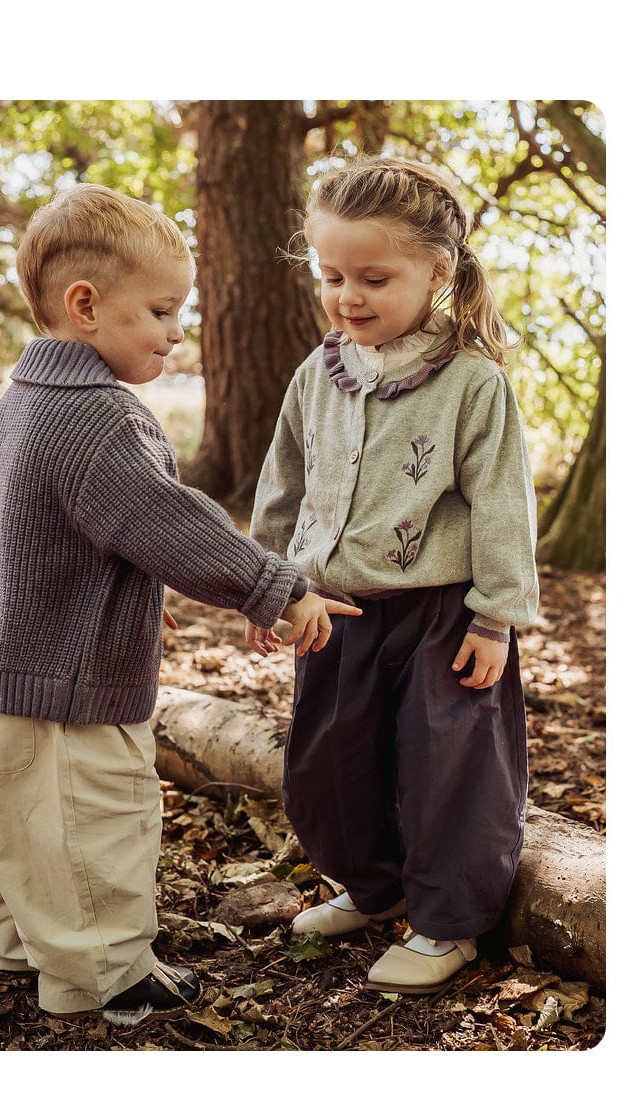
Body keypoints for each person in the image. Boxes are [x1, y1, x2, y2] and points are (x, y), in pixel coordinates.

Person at [0, 183, 360, 1025]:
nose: (174, 333)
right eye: (161, 312)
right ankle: (106, 976)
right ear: (85, 305)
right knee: (92, 827)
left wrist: (119, 590)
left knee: (19, 826)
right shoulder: (102, 419)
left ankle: (13, 945)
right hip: (66, 697)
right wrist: (279, 589)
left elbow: (15, 530)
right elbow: (173, 523)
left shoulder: (22, 402)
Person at [246, 155, 539, 994]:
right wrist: (266, 584)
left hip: (443, 617)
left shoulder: (473, 384)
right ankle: (374, 888)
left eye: (374, 278)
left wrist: (496, 617)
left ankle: (448, 922)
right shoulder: (317, 374)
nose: (348, 296)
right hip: (330, 612)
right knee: (327, 769)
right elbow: (283, 484)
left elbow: (503, 505)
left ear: (436, 272)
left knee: (449, 772)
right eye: (332, 276)